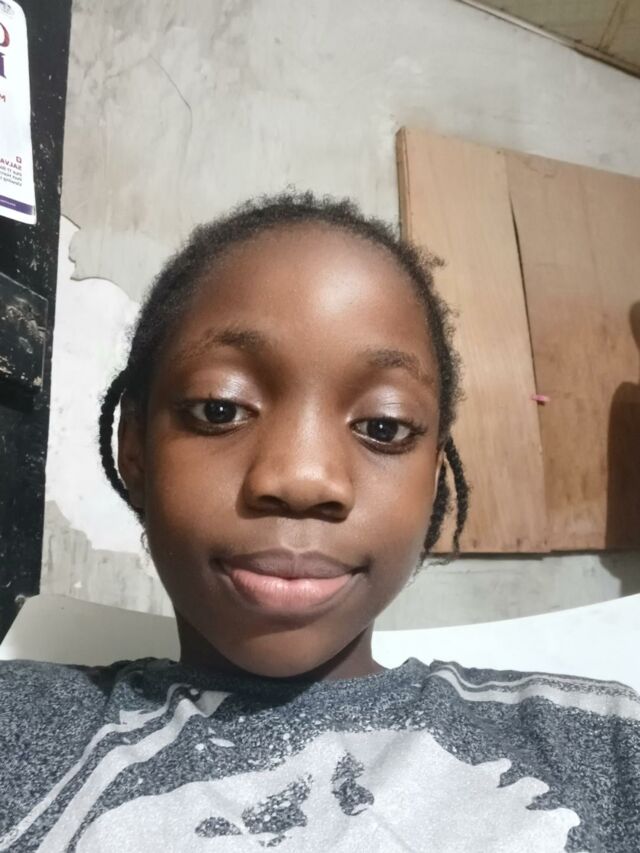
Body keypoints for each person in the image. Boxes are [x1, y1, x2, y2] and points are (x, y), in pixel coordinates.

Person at [0, 192, 638, 852]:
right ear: (135, 449)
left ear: (433, 477)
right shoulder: (19, 722)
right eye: (221, 409)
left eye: (383, 426)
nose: (304, 479)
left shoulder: (604, 743)